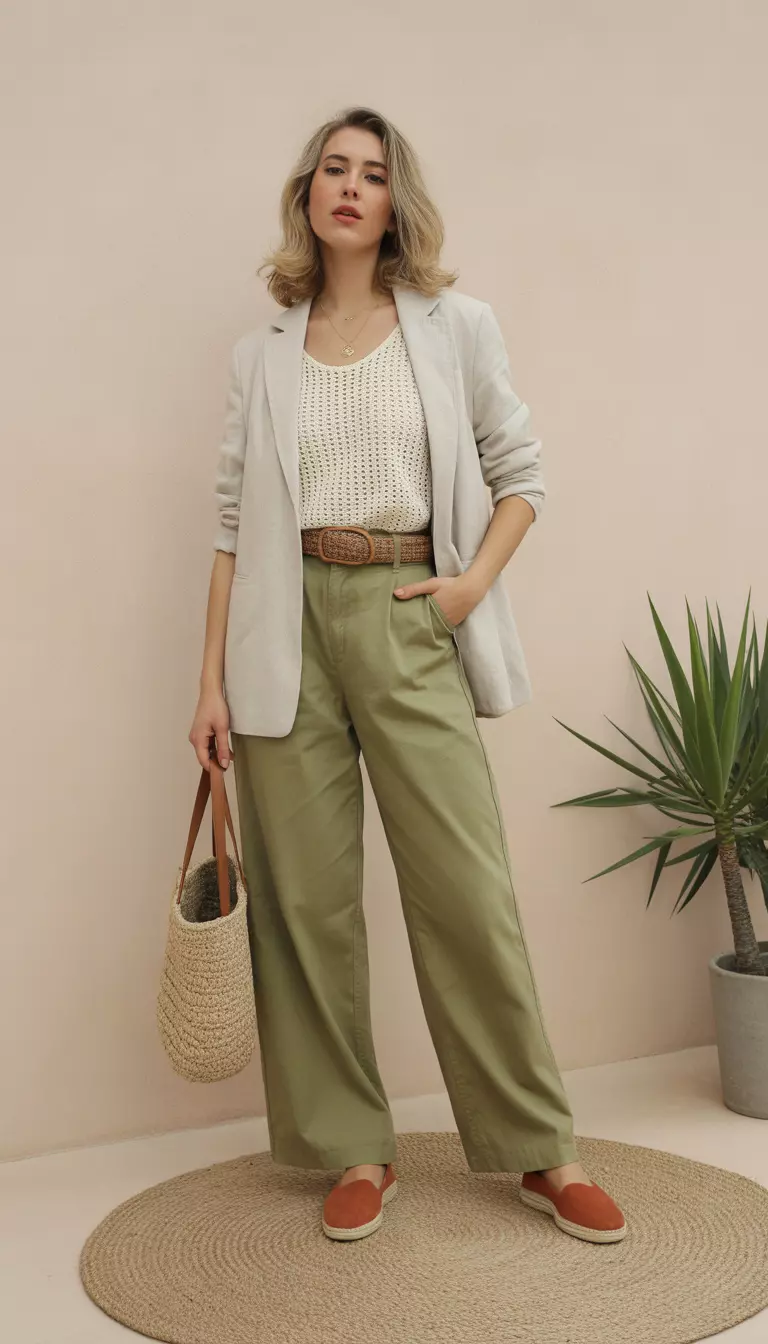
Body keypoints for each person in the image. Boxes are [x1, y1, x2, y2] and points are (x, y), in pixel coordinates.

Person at [189, 105, 626, 1246]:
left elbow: (521, 473)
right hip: (286, 631)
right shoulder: (262, 353)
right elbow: (233, 526)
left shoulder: (454, 326)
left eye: (372, 173)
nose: (350, 187)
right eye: (332, 168)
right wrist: (209, 687)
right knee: (308, 909)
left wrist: (470, 586)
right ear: (308, 194)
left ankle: (541, 1149)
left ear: (395, 201)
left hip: (406, 606)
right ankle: (352, 1147)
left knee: (466, 890)